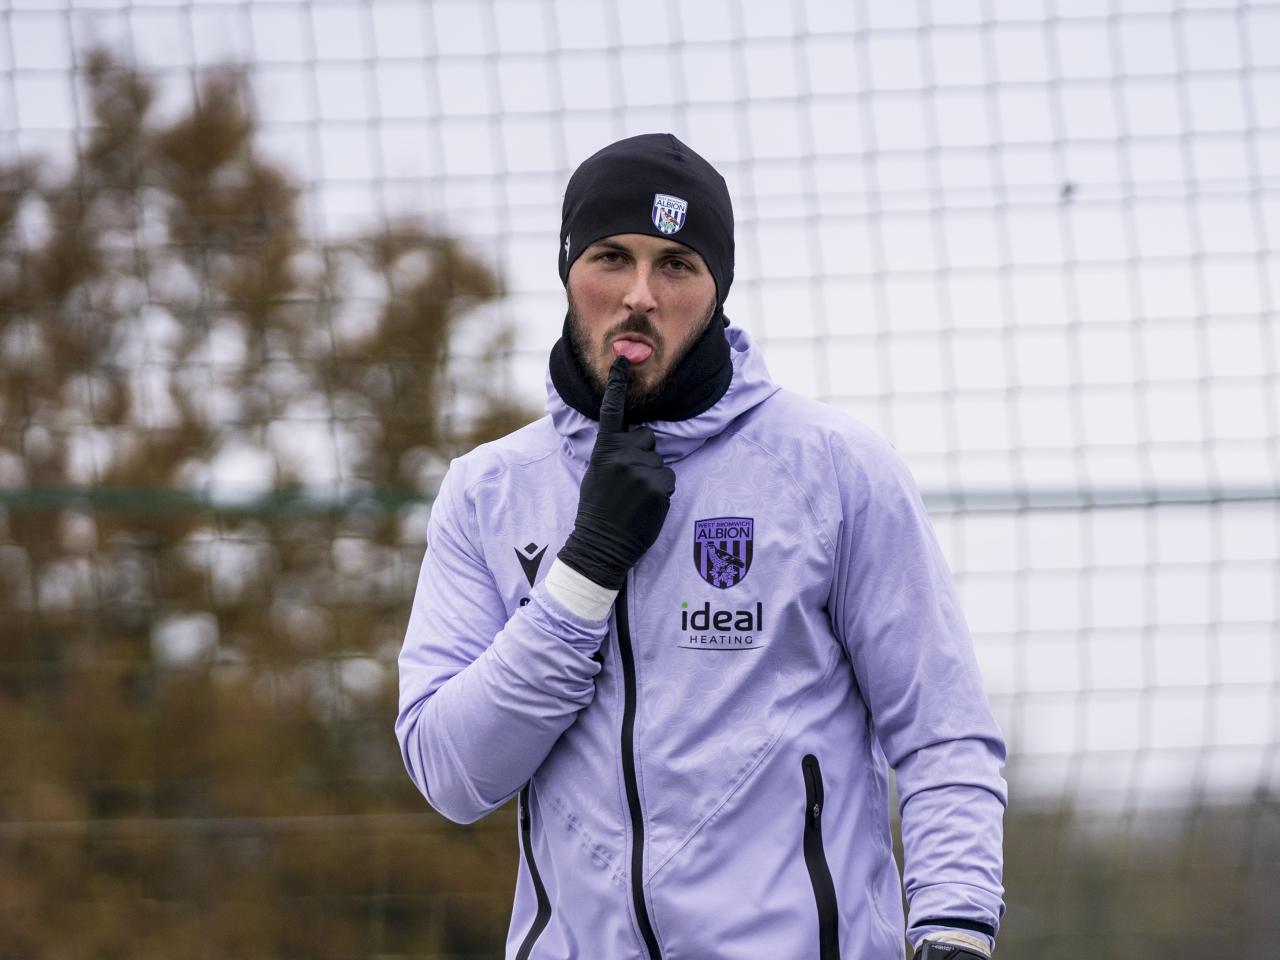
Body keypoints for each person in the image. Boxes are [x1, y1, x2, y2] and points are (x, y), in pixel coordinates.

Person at [396, 133, 1007, 960]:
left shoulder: (835, 470)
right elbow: (453, 774)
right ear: (570, 272)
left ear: (717, 289)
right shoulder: (489, 491)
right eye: (612, 257)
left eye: (677, 265)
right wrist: (584, 571)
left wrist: (954, 927)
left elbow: (942, 731)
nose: (640, 295)